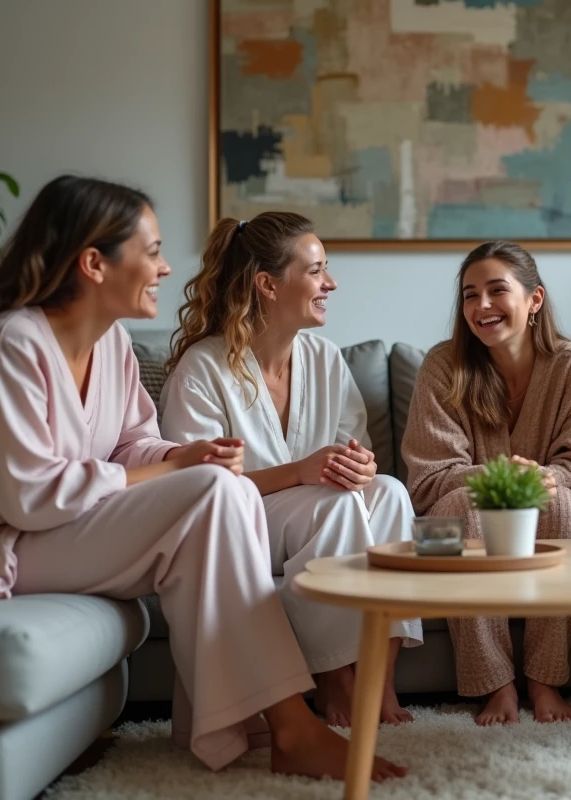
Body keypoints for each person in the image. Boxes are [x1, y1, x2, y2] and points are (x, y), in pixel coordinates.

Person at [0, 176, 405, 782]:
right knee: (217, 490)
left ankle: (263, 724)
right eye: (150, 252)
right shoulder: (9, 344)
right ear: (94, 263)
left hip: (67, 526)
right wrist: (174, 467)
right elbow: (31, 496)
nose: (167, 268)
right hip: (4, 543)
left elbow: (131, 442)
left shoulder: (110, 343)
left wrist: (184, 451)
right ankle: (291, 728)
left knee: (221, 487)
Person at [160, 211, 422, 727]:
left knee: (389, 492)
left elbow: (355, 458)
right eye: (317, 270)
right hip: (240, 522)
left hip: (314, 511)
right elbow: (195, 489)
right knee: (333, 503)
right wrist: (300, 471)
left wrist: (362, 467)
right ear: (268, 285)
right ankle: (334, 680)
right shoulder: (204, 367)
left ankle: (380, 683)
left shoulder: (326, 359)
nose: (331, 282)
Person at [401, 240, 571, 726]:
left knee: (559, 504)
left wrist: (545, 479)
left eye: (497, 291)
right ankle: (493, 684)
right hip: (444, 526)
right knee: (463, 506)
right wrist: (503, 479)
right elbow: (428, 481)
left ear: (534, 299)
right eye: (470, 295)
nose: (481, 306)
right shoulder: (442, 366)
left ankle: (544, 680)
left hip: (549, 514)